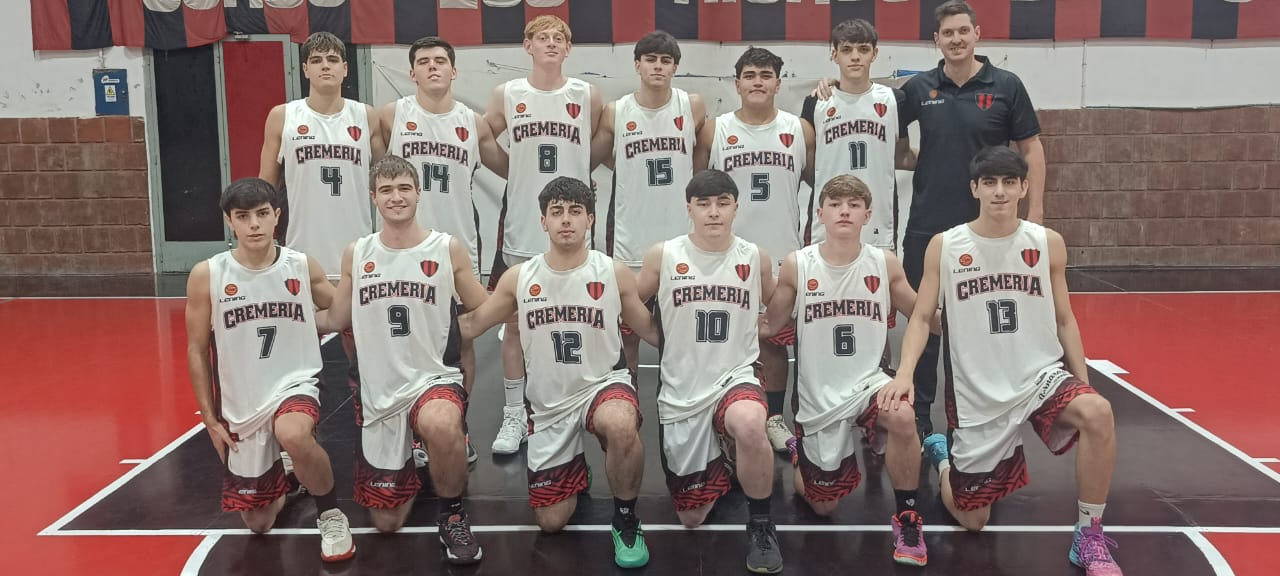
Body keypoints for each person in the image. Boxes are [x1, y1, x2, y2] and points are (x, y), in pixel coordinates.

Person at [816, 0, 1046, 440]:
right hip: (927, 223)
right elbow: (870, 114)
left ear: (977, 34)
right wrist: (830, 85)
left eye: (963, 31)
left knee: (979, 323)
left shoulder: (1007, 85)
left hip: (990, 227)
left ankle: (979, 411)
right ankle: (919, 413)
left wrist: (1034, 212)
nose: (956, 39)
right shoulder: (919, 88)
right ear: (936, 40)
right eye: (948, 33)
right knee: (924, 320)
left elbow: (1031, 149)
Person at [895, 147, 1121, 575]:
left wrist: (1083, 380)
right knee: (973, 520)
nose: (999, 192)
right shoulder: (946, 246)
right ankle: (944, 462)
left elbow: (1064, 318)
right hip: (978, 392)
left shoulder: (1046, 243)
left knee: (1098, 412)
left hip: (1039, 376)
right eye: (990, 183)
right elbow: (922, 317)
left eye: (1009, 182)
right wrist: (905, 373)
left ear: (1023, 187)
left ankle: (1089, 535)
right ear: (974, 189)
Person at [458, 177, 654, 569]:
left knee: (620, 423)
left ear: (590, 219)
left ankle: (626, 519)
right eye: (557, 212)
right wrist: (414, 328)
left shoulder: (612, 272)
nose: (566, 220)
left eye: (575, 211)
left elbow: (649, 329)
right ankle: (575, 467)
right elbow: (473, 323)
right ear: (543, 221)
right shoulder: (520, 277)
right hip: (549, 405)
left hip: (603, 384)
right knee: (551, 522)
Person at [318, 156, 488, 563]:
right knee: (387, 523)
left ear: (418, 193)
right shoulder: (357, 253)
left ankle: (452, 514)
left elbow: (482, 307)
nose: (396, 197)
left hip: (433, 378)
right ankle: (409, 458)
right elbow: (337, 318)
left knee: (442, 423)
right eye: (386, 190)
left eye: (404, 188)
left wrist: (469, 327)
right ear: (373, 197)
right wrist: (284, 312)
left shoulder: (446, 248)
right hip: (380, 390)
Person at [760, 175, 928, 566]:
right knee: (823, 506)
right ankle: (803, 456)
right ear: (820, 213)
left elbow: (923, 315)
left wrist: (956, 306)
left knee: (903, 415)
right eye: (836, 204)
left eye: (854, 205)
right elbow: (769, 326)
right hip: (820, 396)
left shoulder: (884, 263)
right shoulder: (799, 265)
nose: (845, 212)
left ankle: (907, 518)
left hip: (870, 384)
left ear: (868, 215)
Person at [184, 178, 353, 562]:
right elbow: (196, 350)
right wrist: (210, 419)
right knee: (258, 523)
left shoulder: (300, 265)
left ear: (277, 216)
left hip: (296, 383)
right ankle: (290, 473)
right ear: (229, 221)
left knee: (292, 431)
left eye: (262, 214)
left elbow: (339, 313)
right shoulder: (208, 275)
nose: (254, 224)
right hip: (244, 400)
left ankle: (331, 514)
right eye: (243, 216)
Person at [636, 169, 782, 574]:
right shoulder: (664, 255)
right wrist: (657, 337)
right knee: (692, 518)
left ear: (736, 207)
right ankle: (727, 456)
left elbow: (778, 306)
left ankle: (761, 524)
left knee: (750, 422)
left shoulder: (754, 256)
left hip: (736, 374)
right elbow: (630, 301)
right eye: (704, 204)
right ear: (689, 209)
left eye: (722, 203)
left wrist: (764, 326)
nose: (713, 212)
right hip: (683, 387)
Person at [381, 36, 510, 463]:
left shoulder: (473, 124)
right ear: (412, 72)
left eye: (440, 61)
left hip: (458, 244)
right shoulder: (391, 117)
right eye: (424, 61)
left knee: (461, 338)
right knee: (406, 341)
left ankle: (459, 426)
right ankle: (412, 432)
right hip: (402, 249)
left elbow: (514, 169)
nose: (433, 67)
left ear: (454, 71)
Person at [482, 15, 605, 455]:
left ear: (568, 49)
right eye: (542, 37)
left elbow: (598, 148)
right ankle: (515, 412)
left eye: (559, 38)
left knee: (576, 320)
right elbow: (483, 141)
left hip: (572, 225)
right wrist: (517, 172)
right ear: (527, 46)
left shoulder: (587, 95)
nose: (551, 43)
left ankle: (574, 403)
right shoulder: (507, 93)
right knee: (516, 325)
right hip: (523, 225)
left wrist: (576, 179)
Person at [694, 47, 815, 454]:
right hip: (726, 255)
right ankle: (720, 414)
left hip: (782, 252)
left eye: (766, 75)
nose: (758, 82)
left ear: (779, 83)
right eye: (750, 75)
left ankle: (775, 417)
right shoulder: (715, 129)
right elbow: (699, 189)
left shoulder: (800, 129)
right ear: (737, 83)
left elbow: (818, 181)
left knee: (774, 341)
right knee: (725, 338)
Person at [589, 30, 705, 385]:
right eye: (650, 60)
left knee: (685, 330)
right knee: (627, 332)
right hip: (631, 237)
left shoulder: (692, 106)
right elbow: (592, 157)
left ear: (675, 68)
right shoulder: (617, 111)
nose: (658, 66)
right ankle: (627, 396)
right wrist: (631, 169)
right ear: (637, 65)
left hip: (681, 237)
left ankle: (685, 396)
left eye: (666, 61)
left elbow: (701, 159)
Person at [259, 31, 385, 279]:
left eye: (332, 59)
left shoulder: (366, 116)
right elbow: (265, 187)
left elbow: (384, 184)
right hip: (300, 247)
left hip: (357, 247)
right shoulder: (283, 116)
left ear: (345, 69)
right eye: (316, 60)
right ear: (305, 69)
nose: (325, 66)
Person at [800, 18, 914, 248]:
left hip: (879, 214)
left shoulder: (894, 100)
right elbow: (808, 166)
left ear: (874, 53)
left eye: (863, 49)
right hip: (827, 215)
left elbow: (901, 154)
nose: (855, 57)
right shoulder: (816, 102)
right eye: (846, 50)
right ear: (834, 55)